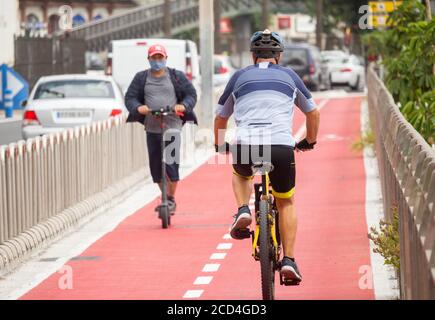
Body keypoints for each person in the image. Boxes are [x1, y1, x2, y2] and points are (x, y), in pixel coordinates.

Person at [213, 30, 320, 283]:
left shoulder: (239, 77)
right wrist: (310, 141)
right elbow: (313, 114)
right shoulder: (290, 76)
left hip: (247, 144)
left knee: (241, 173)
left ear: (253, 56)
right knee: (286, 203)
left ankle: (242, 209)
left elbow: (221, 117)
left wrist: (219, 145)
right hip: (281, 147)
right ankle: (290, 261)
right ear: (278, 56)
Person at [125, 44, 198, 214]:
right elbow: (130, 98)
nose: (157, 61)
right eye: (154, 58)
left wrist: (183, 105)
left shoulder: (176, 76)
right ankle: (164, 195)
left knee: (171, 163)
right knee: (156, 165)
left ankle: (171, 198)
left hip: (172, 124)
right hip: (152, 126)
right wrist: (137, 108)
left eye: (160, 58)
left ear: (166, 58)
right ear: (149, 59)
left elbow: (191, 95)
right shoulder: (141, 78)